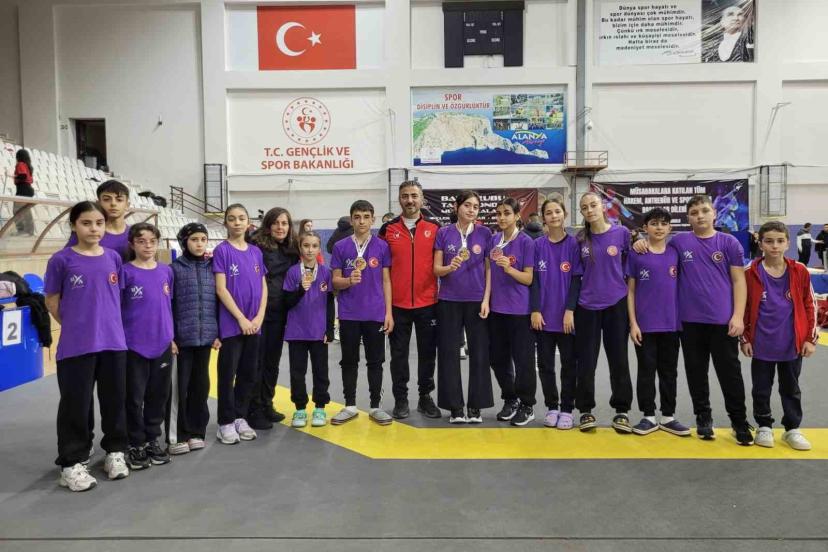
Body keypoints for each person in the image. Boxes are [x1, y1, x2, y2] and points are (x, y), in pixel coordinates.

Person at [634, 194, 752, 445]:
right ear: (688, 218)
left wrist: (738, 316)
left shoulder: (729, 243)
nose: (700, 216)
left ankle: (739, 422)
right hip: (688, 323)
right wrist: (638, 242)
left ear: (714, 214)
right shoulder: (679, 242)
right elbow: (655, 246)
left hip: (723, 321)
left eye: (704, 211)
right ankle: (703, 418)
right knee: (696, 374)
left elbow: (739, 281)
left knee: (730, 374)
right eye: (694, 212)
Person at [44, 201, 130, 491]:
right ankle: (72, 463)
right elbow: (52, 301)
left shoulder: (113, 258)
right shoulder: (61, 260)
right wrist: (77, 325)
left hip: (114, 343)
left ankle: (115, 452)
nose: (94, 228)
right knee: (76, 405)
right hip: (76, 346)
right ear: (73, 226)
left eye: (99, 223)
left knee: (115, 402)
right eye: (86, 223)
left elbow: (115, 298)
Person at [742, 221, 818, 451]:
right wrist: (745, 338)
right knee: (761, 389)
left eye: (780, 241)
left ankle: (792, 428)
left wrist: (810, 338)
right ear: (760, 243)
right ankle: (764, 425)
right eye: (769, 241)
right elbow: (743, 307)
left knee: (791, 388)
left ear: (787, 243)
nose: (774, 246)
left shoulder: (800, 271)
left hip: (792, 344)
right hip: (761, 343)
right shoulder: (749, 273)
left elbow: (810, 305)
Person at [378, 180, 441, 420]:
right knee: (399, 356)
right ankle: (401, 399)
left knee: (428, 354)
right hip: (398, 305)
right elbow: (382, 270)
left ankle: (425, 397)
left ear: (422, 199)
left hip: (428, 303)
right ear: (399, 199)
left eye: (414, 195)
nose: (410, 200)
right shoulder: (388, 229)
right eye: (405, 196)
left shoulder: (435, 228)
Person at [626, 208, 690, 437]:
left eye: (664, 223)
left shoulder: (676, 253)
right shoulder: (637, 254)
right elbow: (631, 291)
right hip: (645, 326)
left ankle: (668, 416)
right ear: (645, 228)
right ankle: (648, 416)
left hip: (671, 324)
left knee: (669, 371)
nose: (659, 227)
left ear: (670, 228)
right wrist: (633, 323)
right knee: (646, 371)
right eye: (654, 223)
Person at [573, 191, 633, 433]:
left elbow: (631, 266)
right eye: (584, 207)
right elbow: (576, 275)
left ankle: (622, 410)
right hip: (586, 306)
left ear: (603, 206)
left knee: (619, 359)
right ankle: (585, 410)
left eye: (593, 205)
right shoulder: (579, 240)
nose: (589, 210)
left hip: (616, 304)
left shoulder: (622, 234)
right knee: (586, 361)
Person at [330, 200, 394, 425]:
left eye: (366, 217)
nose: (362, 221)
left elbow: (386, 281)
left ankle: (376, 406)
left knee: (375, 361)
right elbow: (335, 281)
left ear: (373, 219)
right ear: (351, 220)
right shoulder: (340, 247)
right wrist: (348, 281)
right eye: (357, 217)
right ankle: (349, 405)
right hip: (349, 313)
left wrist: (389, 313)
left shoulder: (382, 246)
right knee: (349, 361)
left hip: (375, 313)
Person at [433, 190, 494, 423]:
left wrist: (486, 299)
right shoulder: (444, 233)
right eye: (467, 205)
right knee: (449, 354)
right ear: (456, 207)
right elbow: (436, 270)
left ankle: (476, 407)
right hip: (449, 300)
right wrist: (450, 267)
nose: (471, 210)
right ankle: (455, 408)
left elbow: (489, 270)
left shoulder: (485, 233)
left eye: (475, 207)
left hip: (477, 300)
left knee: (479, 353)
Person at [213, 204, 268, 445]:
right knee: (228, 374)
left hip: (254, 324)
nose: (237, 222)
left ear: (248, 223)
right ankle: (225, 422)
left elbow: (263, 286)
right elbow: (221, 289)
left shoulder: (256, 252)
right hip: (232, 325)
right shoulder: (222, 251)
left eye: (241, 218)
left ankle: (239, 416)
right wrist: (241, 318)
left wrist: (259, 317)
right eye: (232, 218)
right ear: (225, 222)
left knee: (248, 373)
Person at [121, 223, 174, 469]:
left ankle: (153, 438)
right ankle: (136, 443)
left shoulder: (166, 271)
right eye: (141, 241)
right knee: (134, 397)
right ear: (132, 244)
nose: (148, 245)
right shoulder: (125, 272)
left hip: (162, 343)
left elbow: (167, 306)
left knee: (158, 395)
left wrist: (171, 338)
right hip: (134, 346)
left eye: (152, 241)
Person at [167, 223, 220, 456]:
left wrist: (217, 332)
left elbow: (218, 302)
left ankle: (197, 431)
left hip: (205, 338)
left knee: (201, 386)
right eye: (194, 239)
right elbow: (167, 305)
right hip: (182, 340)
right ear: (184, 242)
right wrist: (171, 336)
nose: (199, 244)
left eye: (203, 239)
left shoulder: (213, 268)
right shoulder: (174, 269)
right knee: (180, 388)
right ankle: (179, 434)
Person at [246, 208, 300, 430]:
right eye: (276, 223)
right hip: (258, 312)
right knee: (256, 363)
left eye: (284, 223)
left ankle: (267, 403)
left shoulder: (291, 249)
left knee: (272, 362)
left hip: (279, 312)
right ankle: (253, 409)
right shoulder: (256, 247)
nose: (280, 227)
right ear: (268, 226)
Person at [530, 195, 580, 430]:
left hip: (566, 318)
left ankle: (567, 409)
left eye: (557, 212)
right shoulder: (537, 245)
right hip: (543, 317)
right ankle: (552, 406)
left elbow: (576, 281)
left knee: (569, 365)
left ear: (565, 215)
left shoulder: (574, 245)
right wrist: (535, 309)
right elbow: (534, 281)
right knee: (546, 366)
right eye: (548, 213)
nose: (553, 216)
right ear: (543, 218)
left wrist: (570, 310)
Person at [489, 197, 536, 426]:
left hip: (520, 310)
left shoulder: (526, 242)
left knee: (523, 361)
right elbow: (488, 273)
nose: (502, 217)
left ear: (517, 216)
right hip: (496, 310)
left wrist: (509, 269)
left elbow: (529, 278)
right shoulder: (493, 240)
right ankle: (510, 398)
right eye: (498, 213)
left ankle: (527, 405)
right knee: (498, 359)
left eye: (507, 213)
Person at [283, 231, 335, 428]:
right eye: (306, 245)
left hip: (318, 331)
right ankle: (300, 408)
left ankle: (320, 407)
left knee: (321, 371)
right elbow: (287, 302)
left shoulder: (325, 272)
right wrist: (300, 289)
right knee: (297, 372)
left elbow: (329, 303)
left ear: (319, 249)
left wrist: (329, 329)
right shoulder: (292, 272)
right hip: (297, 331)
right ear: (300, 248)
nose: (310, 250)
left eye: (314, 246)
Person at [66, 180, 132, 259]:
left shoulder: (135, 234)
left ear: (127, 205)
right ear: (98, 203)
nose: (113, 204)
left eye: (119, 200)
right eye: (106, 199)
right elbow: (66, 259)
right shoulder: (88, 233)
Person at [13, 149, 35, 236]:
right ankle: (30, 231)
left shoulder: (20, 164)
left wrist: (13, 176)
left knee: (16, 210)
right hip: (28, 189)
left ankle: (21, 230)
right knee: (26, 211)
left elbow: (23, 176)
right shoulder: (27, 166)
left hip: (22, 189)